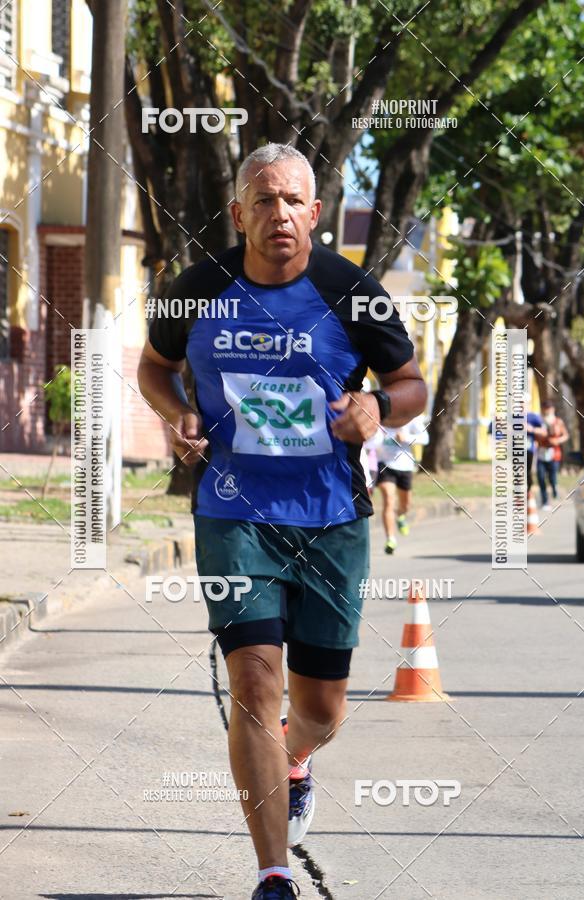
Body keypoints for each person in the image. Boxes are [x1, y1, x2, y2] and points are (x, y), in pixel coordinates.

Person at [138, 143, 426, 900]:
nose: (280, 215)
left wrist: (376, 409)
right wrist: (178, 413)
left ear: (317, 212)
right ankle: (272, 874)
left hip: (331, 520)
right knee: (255, 684)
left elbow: (411, 385)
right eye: (263, 201)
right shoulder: (195, 289)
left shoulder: (352, 292)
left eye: (293, 200)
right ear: (239, 214)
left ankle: (297, 759)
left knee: (320, 709)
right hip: (234, 513)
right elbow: (152, 367)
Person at [376, 414, 429, 553]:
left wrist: (407, 438)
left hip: (405, 466)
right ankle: (391, 539)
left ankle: (400, 515)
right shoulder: (380, 414)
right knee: (388, 499)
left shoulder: (411, 416)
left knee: (406, 505)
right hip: (384, 464)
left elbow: (425, 438)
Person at [536, 400, 569, 510]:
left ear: (552, 409)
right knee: (540, 477)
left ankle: (554, 489)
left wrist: (558, 441)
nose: (547, 410)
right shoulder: (539, 421)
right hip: (541, 453)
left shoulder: (558, 421)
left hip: (554, 453)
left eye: (549, 408)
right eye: (545, 408)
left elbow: (565, 435)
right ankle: (545, 501)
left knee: (552, 477)